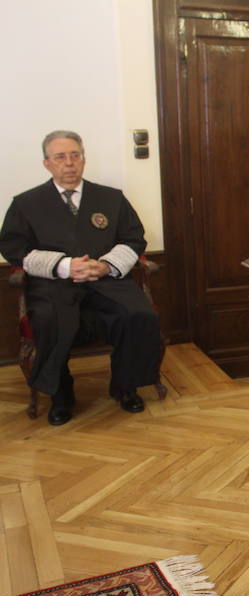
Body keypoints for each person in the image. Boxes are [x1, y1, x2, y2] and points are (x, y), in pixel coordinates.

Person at [0, 131, 162, 425]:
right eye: (60, 157)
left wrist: (106, 265)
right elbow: (14, 248)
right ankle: (61, 397)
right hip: (54, 284)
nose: (69, 163)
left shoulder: (110, 198)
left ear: (84, 159)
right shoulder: (26, 204)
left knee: (138, 314)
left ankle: (126, 387)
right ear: (47, 163)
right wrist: (64, 266)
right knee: (49, 319)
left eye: (75, 155)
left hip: (107, 280)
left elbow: (133, 238)